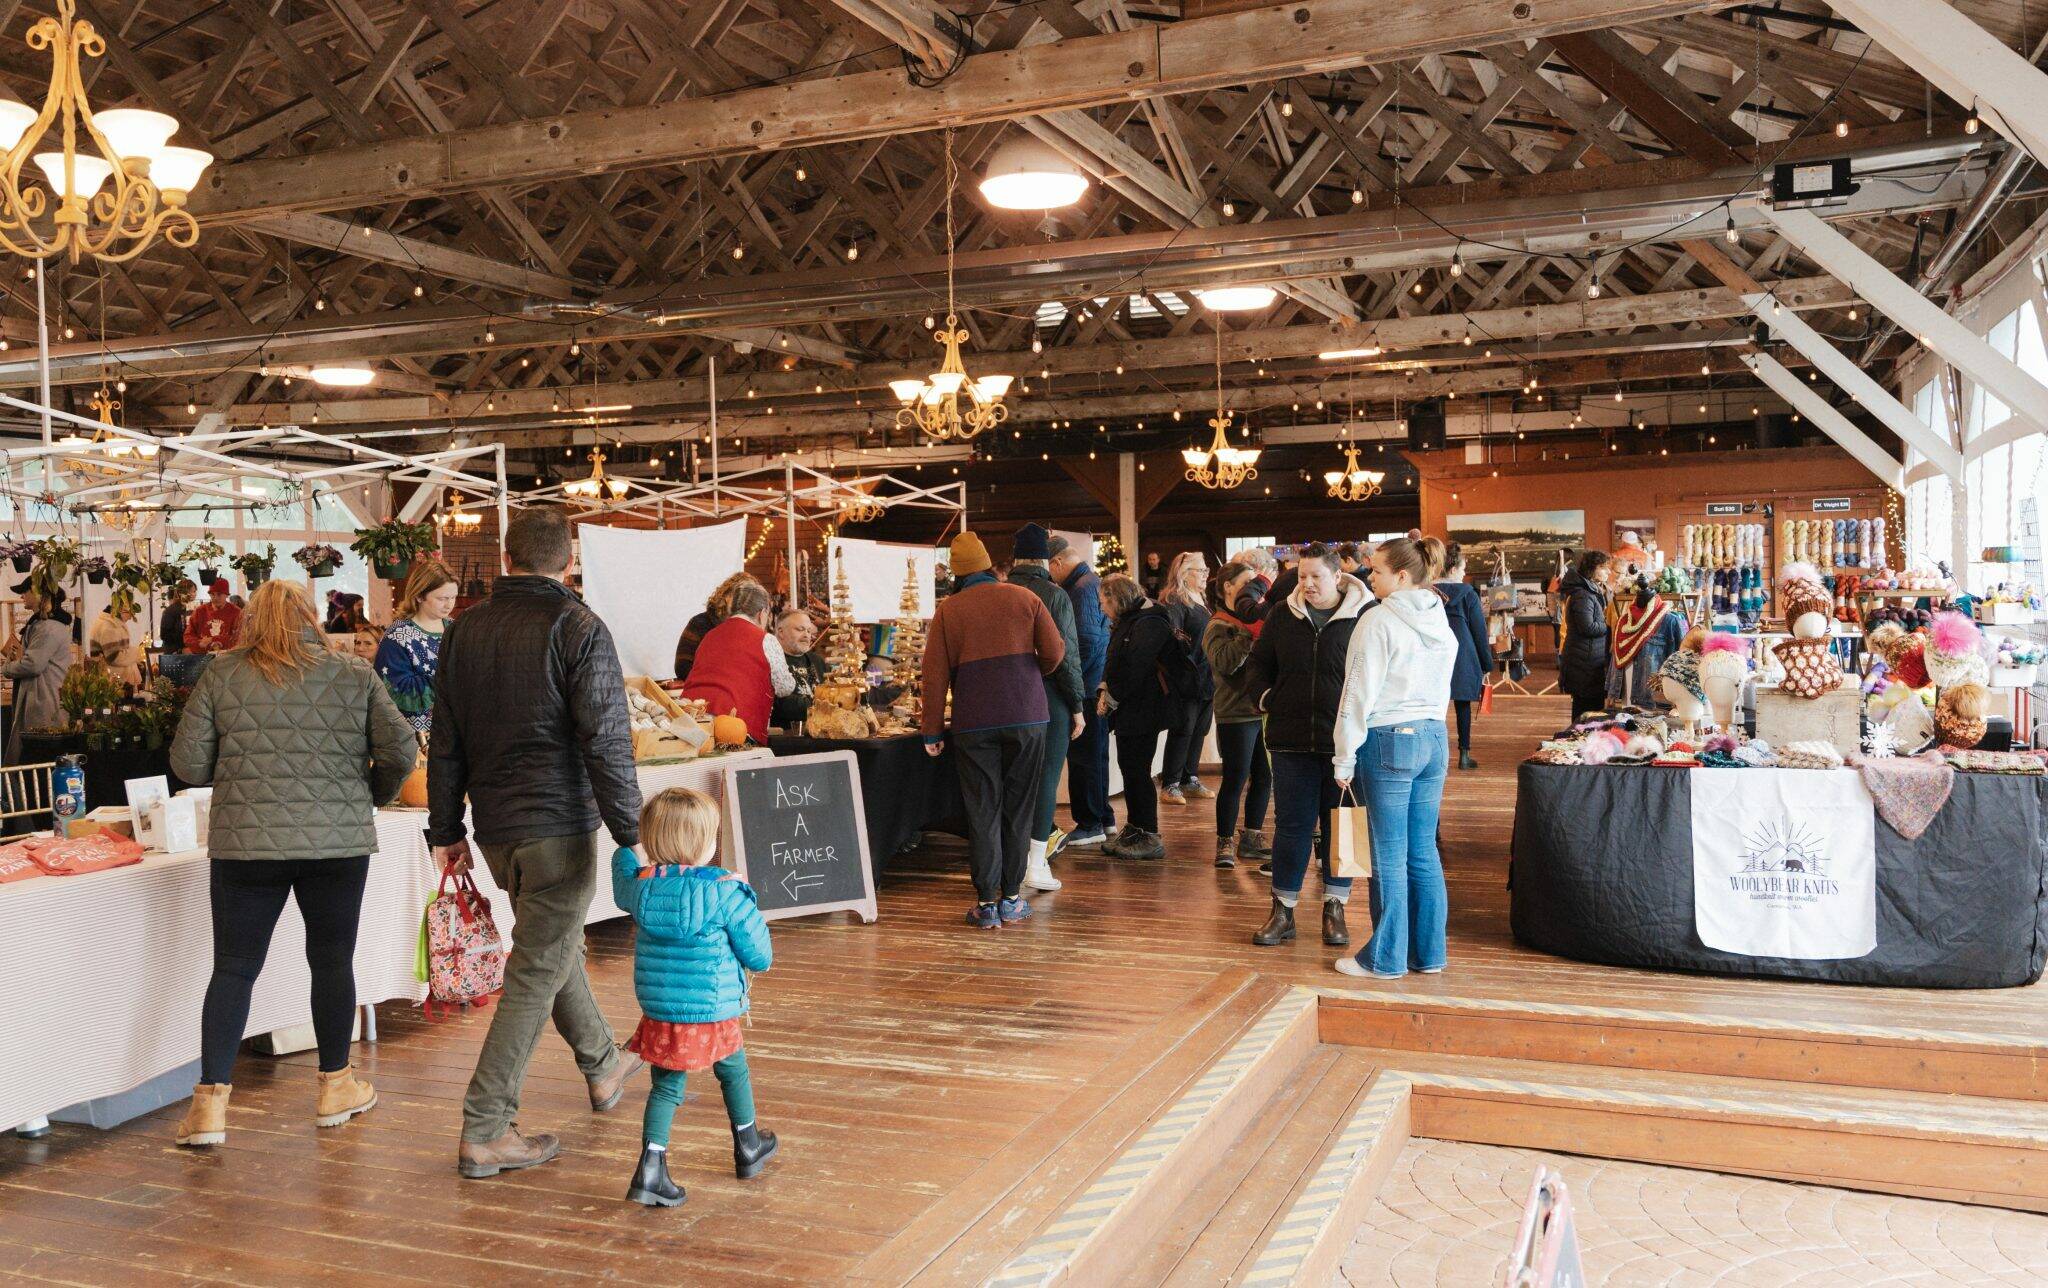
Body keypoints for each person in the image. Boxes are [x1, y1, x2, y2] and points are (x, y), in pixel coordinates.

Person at [428, 506, 646, 1179]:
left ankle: (604, 1065)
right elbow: (606, 740)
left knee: (551, 951)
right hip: (560, 828)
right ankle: (486, 1126)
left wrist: (445, 829)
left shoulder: (464, 630)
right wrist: (631, 836)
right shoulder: (577, 625)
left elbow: (446, 741)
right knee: (537, 966)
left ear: (505, 554)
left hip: (498, 833)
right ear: (568, 559)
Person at [168, 580, 416, 1149]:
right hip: (338, 845)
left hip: (244, 846)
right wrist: (371, 793)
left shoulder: (223, 674)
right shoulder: (351, 674)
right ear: (312, 617)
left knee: (233, 967)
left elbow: (187, 764)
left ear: (249, 620)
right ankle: (335, 1087)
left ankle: (209, 1107)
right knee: (332, 962)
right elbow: (402, 749)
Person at [612, 787, 777, 1208]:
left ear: (652, 842)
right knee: (734, 1071)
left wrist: (627, 844)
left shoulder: (641, 890)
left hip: (663, 1009)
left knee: (666, 1087)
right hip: (714, 1006)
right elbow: (759, 956)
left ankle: (651, 1168)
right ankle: (748, 1144)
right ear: (706, 845)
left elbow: (621, 874)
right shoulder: (725, 892)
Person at [922, 531, 1066, 929]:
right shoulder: (1025, 598)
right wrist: (1029, 677)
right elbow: (1055, 652)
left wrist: (932, 731)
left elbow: (933, 676)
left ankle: (986, 904)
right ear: (988, 564)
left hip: (974, 722)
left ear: (956, 572)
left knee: (982, 808)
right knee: (1019, 808)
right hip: (1028, 718)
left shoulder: (950, 610)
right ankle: (1013, 900)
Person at [1329, 537, 1458, 980]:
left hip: (1388, 740)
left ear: (1402, 576)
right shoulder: (1440, 617)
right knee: (1423, 851)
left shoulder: (1377, 621)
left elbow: (1356, 694)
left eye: (1377, 571)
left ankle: (1384, 958)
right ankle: (1428, 954)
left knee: (1387, 855)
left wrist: (1342, 757)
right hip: (1434, 736)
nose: (1370, 577)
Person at [1247, 543, 1370, 949]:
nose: (1308, 584)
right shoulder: (1283, 613)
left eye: (1316, 576)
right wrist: (1266, 697)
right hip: (1291, 740)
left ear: (1338, 576)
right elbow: (1258, 663)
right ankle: (1283, 912)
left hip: (1347, 744)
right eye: (1302, 576)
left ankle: (1335, 908)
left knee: (1342, 830)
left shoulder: (1365, 615)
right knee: (1291, 828)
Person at [1006, 524, 1085, 893]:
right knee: (1046, 778)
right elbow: (1065, 654)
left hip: (1007, 697)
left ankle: (1008, 860)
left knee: (1012, 779)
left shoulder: (1001, 593)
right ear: (1045, 559)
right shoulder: (1055, 595)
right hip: (1049, 696)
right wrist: (1077, 704)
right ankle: (1034, 864)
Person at [1097, 574, 1175, 861]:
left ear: (1117, 599)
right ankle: (1136, 827)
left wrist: (1112, 694)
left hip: (1145, 709)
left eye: (1104, 601)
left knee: (1137, 771)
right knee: (1131, 769)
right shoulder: (1133, 620)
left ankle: (1149, 833)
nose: (1102, 607)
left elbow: (1136, 667)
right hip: (1133, 707)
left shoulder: (1149, 621)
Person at [1204, 563, 1271, 869]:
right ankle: (1225, 842)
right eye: (1245, 583)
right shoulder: (1217, 625)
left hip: (1261, 710)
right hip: (1235, 712)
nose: (1252, 591)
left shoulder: (1257, 616)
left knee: (1265, 776)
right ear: (1228, 587)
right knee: (1235, 778)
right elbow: (1226, 664)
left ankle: (1253, 837)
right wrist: (1249, 633)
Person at [1050, 536, 1114, 851]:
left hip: (1086, 687)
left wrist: (1070, 682)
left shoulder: (1081, 589)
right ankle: (1103, 816)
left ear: (1058, 563)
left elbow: (1085, 641)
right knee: (1095, 755)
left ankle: (1090, 823)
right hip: (1094, 684)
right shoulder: (1089, 584)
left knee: (1084, 757)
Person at [681, 583, 796, 744]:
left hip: (691, 719)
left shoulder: (709, 635)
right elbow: (784, 687)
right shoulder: (766, 639)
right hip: (733, 725)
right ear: (762, 613)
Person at [1157, 551, 1215, 806]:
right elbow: (1174, 638)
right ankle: (1170, 783)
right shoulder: (1174, 600)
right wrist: (1187, 665)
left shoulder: (1200, 598)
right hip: (1186, 677)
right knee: (1183, 729)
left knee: (1199, 729)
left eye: (1205, 571)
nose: (1205, 575)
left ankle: (1189, 778)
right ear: (1184, 574)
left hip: (1206, 676)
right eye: (1200, 571)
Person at [375, 559, 458, 735]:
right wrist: (451, 677)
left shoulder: (456, 628)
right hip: (413, 737)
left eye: (453, 597)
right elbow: (394, 691)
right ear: (419, 596)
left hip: (455, 731)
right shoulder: (397, 636)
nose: (449, 604)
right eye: (442, 598)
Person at [1436, 542, 1493, 771]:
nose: (1464, 573)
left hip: (1435, 654)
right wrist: (1486, 663)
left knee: (1435, 708)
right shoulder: (1468, 594)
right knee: (1462, 706)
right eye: (1462, 568)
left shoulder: (1428, 593)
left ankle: (1438, 756)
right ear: (1452, 570)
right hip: (1463, 653)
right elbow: (1479, 630)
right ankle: (1464, 755)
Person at [2, 584, 73, 763]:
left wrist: (6, 668)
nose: (21, 596)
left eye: (25, 592)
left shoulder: (48, 627)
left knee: (38, 756)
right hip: (40, 696)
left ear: (39, 594)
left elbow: (33, 664)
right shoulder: (43, 624)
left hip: (44, 700)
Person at [1558, 550, 1614, 721]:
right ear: (1592, 570)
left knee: (1589, 710)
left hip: (1587, 659)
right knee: (1585, 712)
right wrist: (1609, 626)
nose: (1608, 572)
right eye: (1603, 568)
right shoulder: (1583, 595)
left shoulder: (1589, 591)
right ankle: (1579, 742)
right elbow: (1587, 627)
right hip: (1583, 663)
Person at [674, 572, 761, 678]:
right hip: (703, 690)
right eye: (741, 595)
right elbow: (682, 666)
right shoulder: (699, 623)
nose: (744, 601)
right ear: (727, 596)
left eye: (749, 598)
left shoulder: (751, 631)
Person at [1613, 580, 1685, 708]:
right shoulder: (1623, 621)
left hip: (1652, 701)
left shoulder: (1670, 621)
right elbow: (1616, 658)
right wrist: (1611, 692)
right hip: (1625, 699)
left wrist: (1678, 700)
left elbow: (1680, 663)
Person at [769, 609, 827, 729]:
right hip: (785, 739)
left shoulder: (818, 661)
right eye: (800, 630)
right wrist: (823, 706)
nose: (806, 635)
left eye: (809, 631)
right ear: (781, 632)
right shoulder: (771, 660)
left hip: (820, 736)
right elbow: (783, 704)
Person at [90, 595, 144, 691]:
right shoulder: (109, 627)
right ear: (121, 610)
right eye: (130, 613)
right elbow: (114, 657)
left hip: (119, 681)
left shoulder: (114, 624)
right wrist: (137, 652)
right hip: (114, 684)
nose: (131, 617)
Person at [185, 578, 243, 654]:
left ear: (226, 595)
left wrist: (214, 640)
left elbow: (240, 637)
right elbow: (188, 636)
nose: (215, 598)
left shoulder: (236, 612)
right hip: (203, 656)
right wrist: (199, 643)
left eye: (219, 594)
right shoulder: (199, 611)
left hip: (228, 657)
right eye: (212, 594)